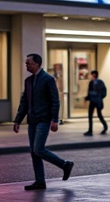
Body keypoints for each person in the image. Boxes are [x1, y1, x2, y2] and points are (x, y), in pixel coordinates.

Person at [13, 52, 74, 190]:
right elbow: (24, 102)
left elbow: (55, 100)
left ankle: (64, 164)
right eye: (26, 63)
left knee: (38, 149)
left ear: (37, 64)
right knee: (34, 152)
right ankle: (40, 181)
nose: (26, 65)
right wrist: (17, 120)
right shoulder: (28, 81)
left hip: (44, 120)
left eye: (29, 63)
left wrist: (55, 120)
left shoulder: (48, 79)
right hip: (32, 120)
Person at [84, 70, 108, 136]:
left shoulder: (95, 82)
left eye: (91, 74)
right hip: (96, 101)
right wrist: (99, 97)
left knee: (95, 115)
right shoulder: (97, 82)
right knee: (96, 115)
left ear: (94, 75)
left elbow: (90, 92)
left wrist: (89, 97)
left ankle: (91, 130)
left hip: (95, 101)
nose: (90, 76)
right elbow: (104, 92)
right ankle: (92, 129)